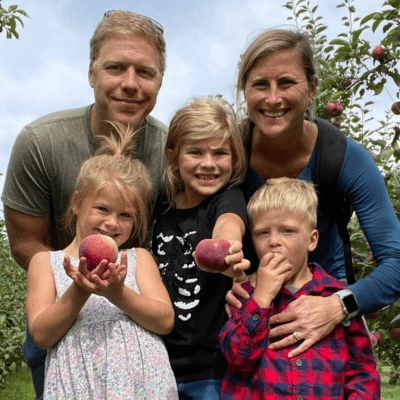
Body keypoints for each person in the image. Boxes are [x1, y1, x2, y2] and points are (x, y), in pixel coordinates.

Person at [1, 10, 167, 398]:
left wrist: (123, 293)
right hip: (64, 313)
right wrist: (79, 284)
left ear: (160, 80)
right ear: (92, 74)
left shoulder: (171, 150)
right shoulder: (41, 142)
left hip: (136, 326)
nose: (130, 83)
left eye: (145, 72)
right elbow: (25, 243)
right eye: (115, 68)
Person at [227, 28, 400, 358]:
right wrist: (225, 282)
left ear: (312, 89)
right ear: (245, 90)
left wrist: (338, 305)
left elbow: (396, 260)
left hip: (324, 322)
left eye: (287, 83)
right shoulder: (226, 154)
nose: (273, 98)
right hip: (249, 321)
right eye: (260, 84)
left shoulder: (343, 158)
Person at [26, 122, 179, 400]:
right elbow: (41, 335)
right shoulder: (45, 262)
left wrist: (118, 293)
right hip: (78, 384)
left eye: (125, 215)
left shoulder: (137, 258)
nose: (112, 223)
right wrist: (80, 289)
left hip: (142, 387)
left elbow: (165, 320)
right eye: (102, 209)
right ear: (76, 203)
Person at [220, 178, 380, 400]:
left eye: (287, 230)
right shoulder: (245, 295)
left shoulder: (334, 296)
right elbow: (238, 360)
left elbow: (362, 372)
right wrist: (262, 299)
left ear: (311, 240)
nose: (274, 241)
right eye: (263, 233)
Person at [151, 97, 250, 399]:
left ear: (234, 158)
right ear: (173, 156)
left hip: (210, 367)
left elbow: (230, 225)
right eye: (195, 152)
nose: (208, 163)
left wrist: (223, 250)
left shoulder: (228, 200)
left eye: (220, 153)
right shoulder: (160, 206)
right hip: (160, 362)